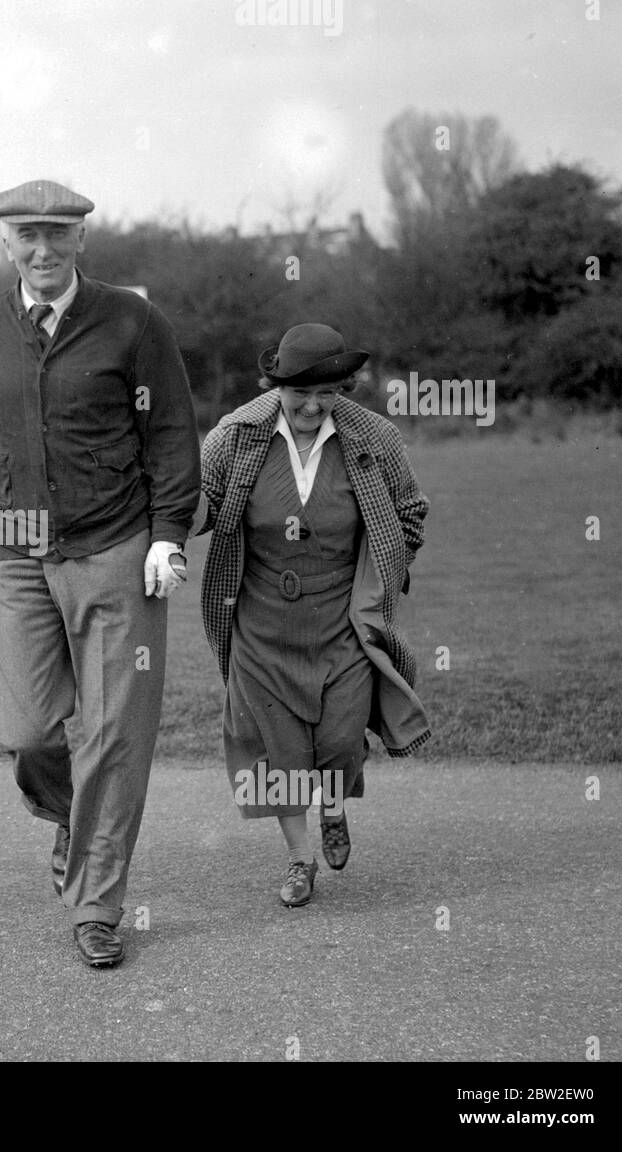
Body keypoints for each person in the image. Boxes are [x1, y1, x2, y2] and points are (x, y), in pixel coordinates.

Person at [0, 180, 200, 969]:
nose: (42, 250)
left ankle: (97, 906)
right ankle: (66, 816)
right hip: (13, 549)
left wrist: (168, 534)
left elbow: (174, 434)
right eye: (27, 237)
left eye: (58, 234)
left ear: (83, 239)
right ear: (5, 244)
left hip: (117, 546)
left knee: (117, 732)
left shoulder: (132, 321)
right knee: (24, 726)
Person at [197, 323, 431, 907]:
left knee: (341, 740)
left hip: (342, 621)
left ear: (343, 388)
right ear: (274, 385)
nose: (311, 405)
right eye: (298, 392)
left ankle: (333, 804)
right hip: (261, 620)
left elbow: (410, 513)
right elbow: (197, 502)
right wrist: (167, 536)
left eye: (326, 393)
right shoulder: (235, 435)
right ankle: (300, 860)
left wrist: (382, 573)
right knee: (280, 750)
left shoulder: (373, 437)